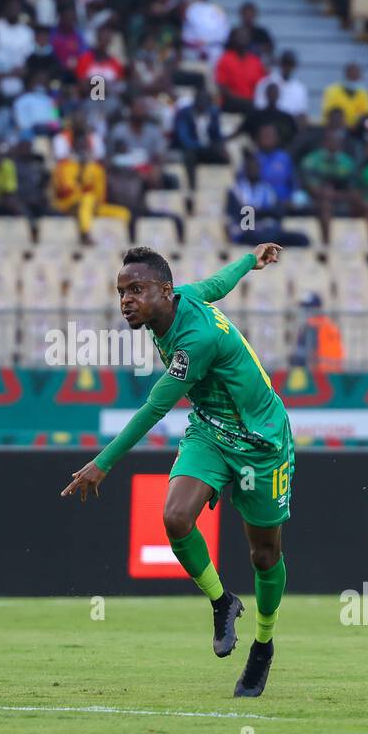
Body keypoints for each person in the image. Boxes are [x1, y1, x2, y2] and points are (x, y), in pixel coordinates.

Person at [62, 243, 293, 698]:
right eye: (121, 291)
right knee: (174, 517)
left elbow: (154, 409)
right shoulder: (179, 300)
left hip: (262, 444)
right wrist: (251, 259)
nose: (126, 300)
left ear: (164, 292)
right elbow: (217, 285)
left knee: (264, 556)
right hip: (209, 432)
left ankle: (263, 646)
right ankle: (222, 601)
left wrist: (101, 463)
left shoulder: (195, 341)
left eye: (136, 290)